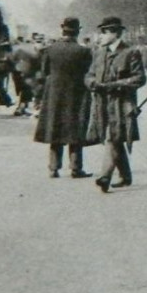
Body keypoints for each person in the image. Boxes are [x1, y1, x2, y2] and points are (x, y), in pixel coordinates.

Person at [86, 15, 145, 192]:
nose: (101, 36)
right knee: (114, 138)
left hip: (122, 103)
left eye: (103, 33)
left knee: (114, 136)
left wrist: (115, 85)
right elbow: (89, 74)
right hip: (102, 103)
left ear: (114, 33)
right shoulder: (99, 52)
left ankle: (104, 177)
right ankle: (126, 176)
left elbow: (139, 78)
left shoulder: (131, 52)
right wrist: (91, 83)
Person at [34, 17, 93, 179]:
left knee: (55, 128)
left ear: (62, 29)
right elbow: (88, 72)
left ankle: (53, 168)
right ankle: (75, 168)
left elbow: (45, 72)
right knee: (75, 129)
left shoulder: (50, 49)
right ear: (78, 31)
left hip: (54, 94)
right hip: (77, 94)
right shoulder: (84, 51)